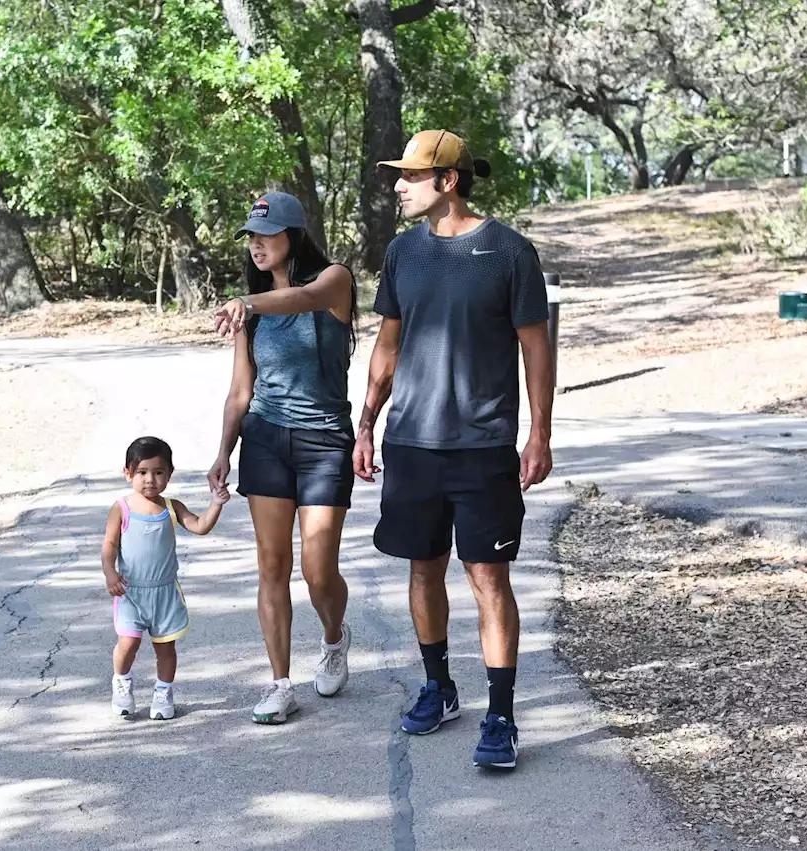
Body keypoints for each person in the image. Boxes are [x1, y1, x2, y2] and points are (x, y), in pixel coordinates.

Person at [353, 130, 554, 770]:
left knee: (488, 578)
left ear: (448, 182)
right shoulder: (401, 254)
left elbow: (536, 348)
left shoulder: (509, 253)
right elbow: (387, 346)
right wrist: (365, 423)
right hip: (411, 442)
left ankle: (501, 715)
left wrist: (540, 431)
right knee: (422, 568)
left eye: (410, 176)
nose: (398, 185)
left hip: (482, 445)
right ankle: (439, 687)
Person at [208, 191, 358, 725]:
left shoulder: (334, 280)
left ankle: (335, 639)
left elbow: (303, 299)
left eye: (266, 236)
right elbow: (239, 390)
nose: (256, 246)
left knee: (319, 572)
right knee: (272, 566)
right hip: (266, 441)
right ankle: (279, 683)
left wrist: (248, 304)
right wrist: (224, 451)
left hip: (323, 442)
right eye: (250, 237)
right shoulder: (249, 312)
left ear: (293, 237)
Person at [103, 436, 229, 720]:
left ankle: (163, 692)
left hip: (164, 594)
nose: (150, 479)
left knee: (166, 647)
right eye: (142, 472)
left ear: (169, 475)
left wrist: (216, 504)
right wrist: (110, 572)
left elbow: (199, 526)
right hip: (130, 592)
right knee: (128, 643)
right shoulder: (121, 508)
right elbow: (109, 545)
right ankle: (121, 682)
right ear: (128, 474)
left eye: (158, 472)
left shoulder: (172, 507)